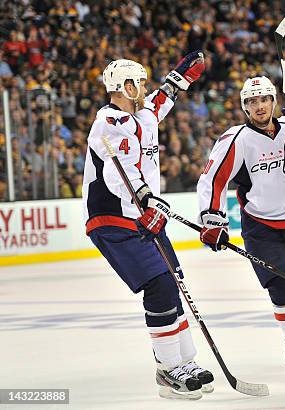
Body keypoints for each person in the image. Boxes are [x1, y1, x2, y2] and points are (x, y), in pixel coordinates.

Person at [82, 52, 214, 399]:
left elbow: (159, 102)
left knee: (174, 283)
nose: (144, 88)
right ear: (125, 87)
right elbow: (116, 171)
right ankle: (169, 370)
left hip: (142, 215)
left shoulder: (140, 115)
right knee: (159, 287)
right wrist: (144, 197)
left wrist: (180, 79)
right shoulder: (108, 122)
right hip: (115, 219)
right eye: (139, 83)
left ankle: (185, 360)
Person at [196, 77, 285, 380]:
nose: (259, 106)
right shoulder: (235, 139)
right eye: (252, 101)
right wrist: (212, 219)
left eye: (264, 99)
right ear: (245, 106)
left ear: (273, 101)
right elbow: (213, 179)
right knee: (282, 290)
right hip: (261, 227)